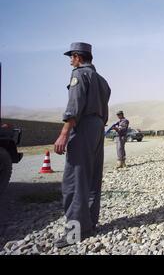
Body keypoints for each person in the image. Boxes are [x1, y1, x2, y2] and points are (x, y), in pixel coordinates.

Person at [54, 42, 111, 248]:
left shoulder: (79, 75)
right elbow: (105, 108)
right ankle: (90, 223)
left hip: (84, 125)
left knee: (74, 181)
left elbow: (74, 106)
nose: (70, 60)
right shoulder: (102, 81)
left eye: (71, 57)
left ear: (78, 57)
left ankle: (75, 232)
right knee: (93, 177)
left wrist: (63, 134)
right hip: (98, 127)